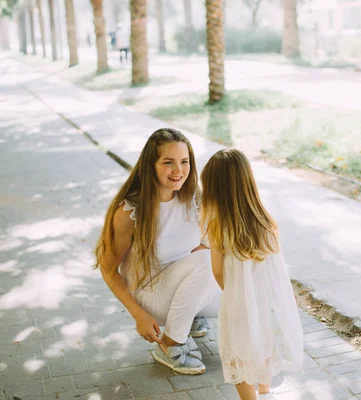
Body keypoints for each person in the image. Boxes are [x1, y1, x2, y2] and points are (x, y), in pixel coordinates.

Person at [95, 128, 220, 375]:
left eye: (184, 162)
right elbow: (108, 269)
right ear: (150, 165)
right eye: (168, 163)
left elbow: (212, 242)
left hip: (184, 283)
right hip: (151, 294)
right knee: (206, 261)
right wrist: (138, 315)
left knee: (243, 285)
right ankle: (170, 343)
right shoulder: (131, 210)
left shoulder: (194, 197)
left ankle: (188, 315)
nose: (178, 171)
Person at [200, 149, 303, 399]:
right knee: (264, 341)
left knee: (240, 354)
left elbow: (217, 271)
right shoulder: (266, 222)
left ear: (213, 190)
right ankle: (265, 390)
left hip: (239, 302)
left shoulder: (218, 227)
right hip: (269, 301)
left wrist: (234, 291)